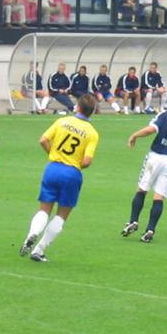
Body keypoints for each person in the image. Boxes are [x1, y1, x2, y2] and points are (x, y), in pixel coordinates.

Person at [19, 94, 99, 263]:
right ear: (91, 112)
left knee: (44, 209)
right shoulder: (92, 133)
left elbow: (43, 140)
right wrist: (74, 164)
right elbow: (87, 161)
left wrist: (53, 154)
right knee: (62, 215)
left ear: (77, 107)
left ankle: (32, 233)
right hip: (71, 173)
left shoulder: (62, 122)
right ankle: (39, 250)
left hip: (53, 168)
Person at [122, 92, 167, 243]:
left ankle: (133, 220)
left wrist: (135, 135)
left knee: (142, 189)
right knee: (159, 196)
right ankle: (150, 230)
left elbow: (151, 129)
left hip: (156, 156)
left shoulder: (166, 115)